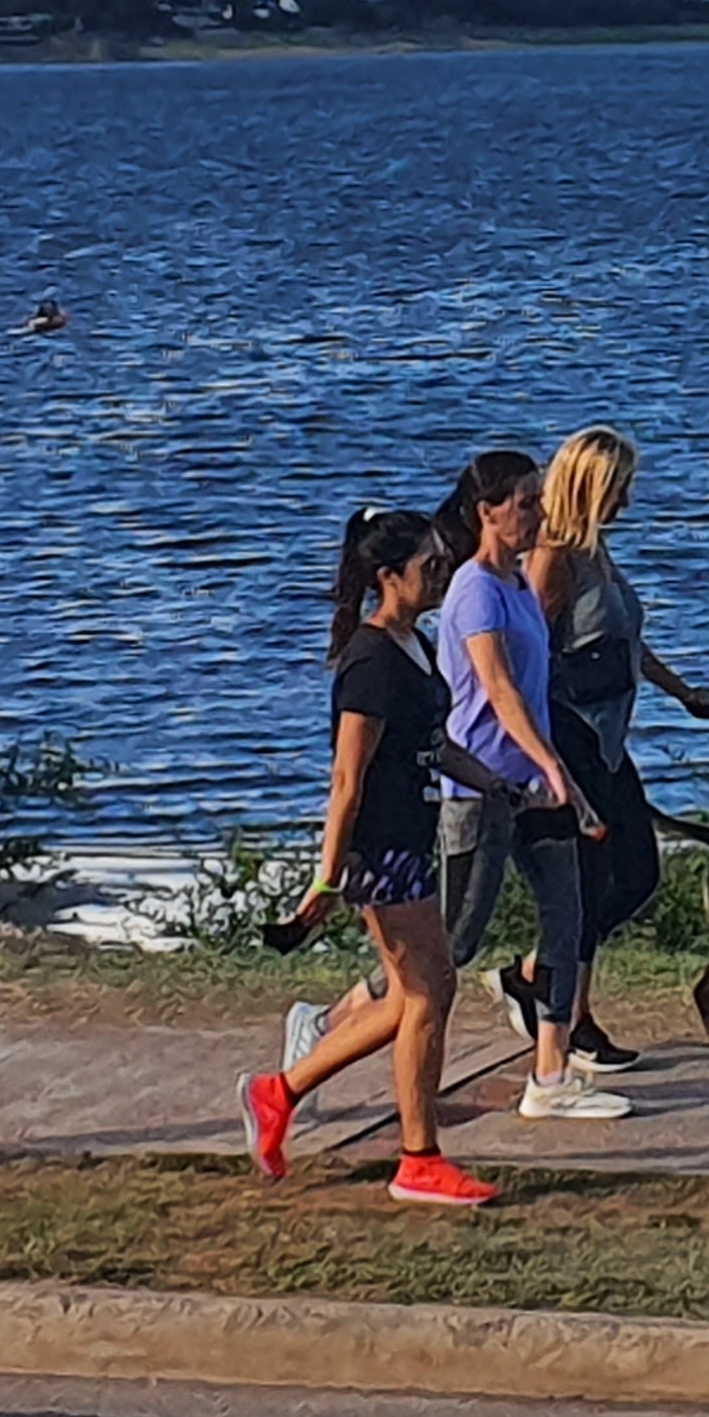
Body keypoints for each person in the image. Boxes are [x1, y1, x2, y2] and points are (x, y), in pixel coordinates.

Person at [238, 509, 496, 1205]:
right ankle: (418, 1158)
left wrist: (500, 785)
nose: (442, 576)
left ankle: (279, 1090)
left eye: (445, 563)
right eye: (429, 567)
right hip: (381, 854)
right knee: (429, 992)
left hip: (412, 838)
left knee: (411, 996)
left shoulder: (414, 644)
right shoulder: (371, 660)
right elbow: (347, 780)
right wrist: (326, 877)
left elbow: (435, 745)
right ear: (388, 577)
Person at [516, 425, 709, 1072]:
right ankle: (574, 1022)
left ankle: (533, 973)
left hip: (608, 738)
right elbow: (526, 652)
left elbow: (623, 642)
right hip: (571, 735)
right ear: (590, 486)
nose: (629, 502)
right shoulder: (551, 556)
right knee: (592, 878)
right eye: (621, 489)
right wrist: (541, 758)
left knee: (638, 874)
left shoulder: (595, 549)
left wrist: (684, 693)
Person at [429, 446, 626, 1121]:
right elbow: (499, 691)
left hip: (538, 781)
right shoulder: (473, 588)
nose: (539, 512)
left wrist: (563, 776)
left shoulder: (516, 582)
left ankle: (550, 1075)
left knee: (566, 919)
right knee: (452, 942)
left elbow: (536, 695)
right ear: (487, 512)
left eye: (539, 498)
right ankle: (336, 1022)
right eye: (525, 502)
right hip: (482, 786)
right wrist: (548, 765)